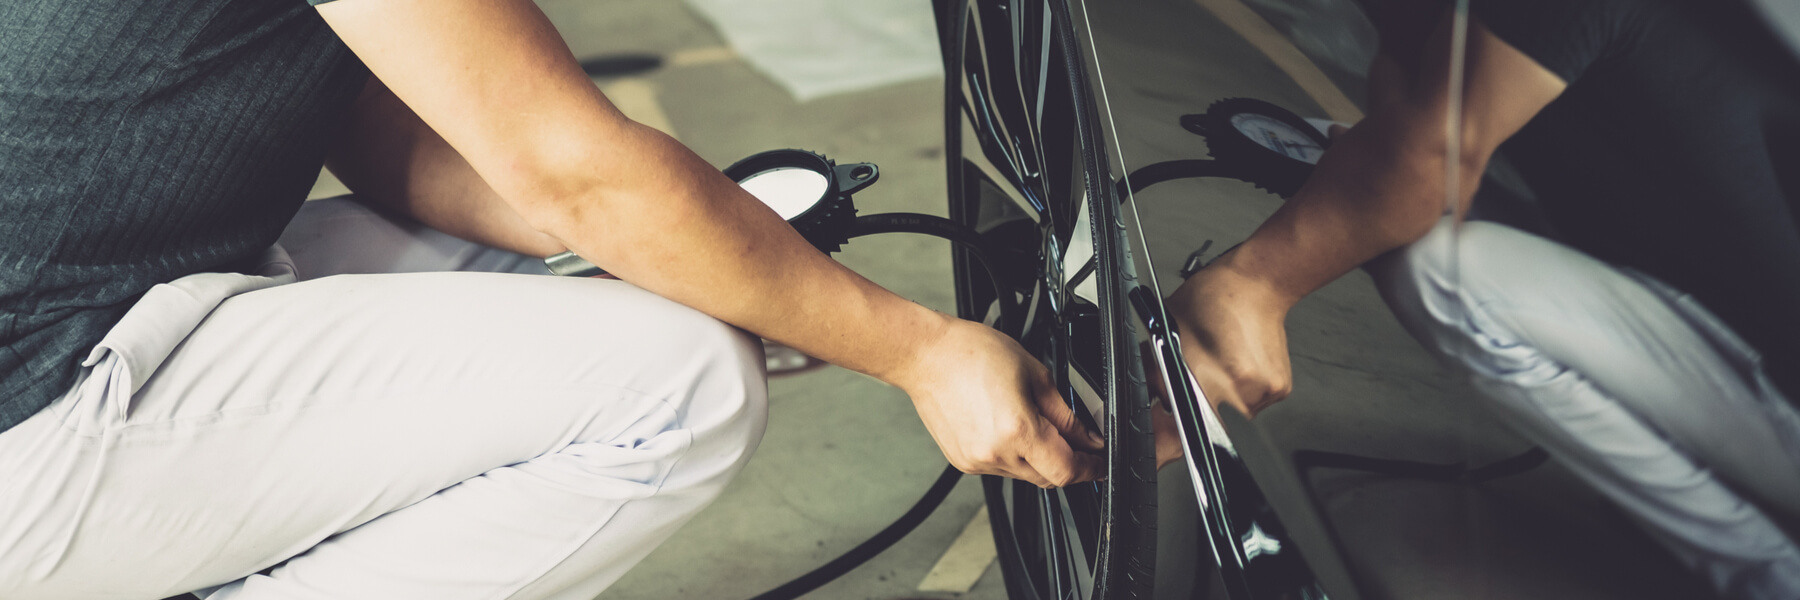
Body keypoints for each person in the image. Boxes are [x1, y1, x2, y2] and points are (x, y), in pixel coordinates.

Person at [0, 0, 1108, 598]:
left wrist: (707, 253)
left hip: (93, 300)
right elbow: (572, 170)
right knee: (678, 386)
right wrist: (917, 350)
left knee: (595, 282)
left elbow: (388, 133)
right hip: (33, 404)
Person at [1169, 0, 1800, 597]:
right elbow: (1410, 112)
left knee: (1443, 274)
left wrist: (1257, 284)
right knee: (1410, 215)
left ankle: (1769, 575)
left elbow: (1435, 156)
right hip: (1734, 342)